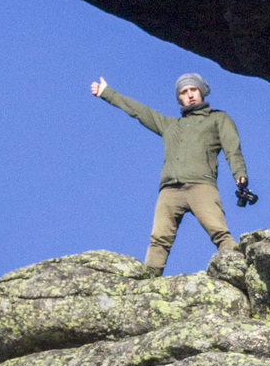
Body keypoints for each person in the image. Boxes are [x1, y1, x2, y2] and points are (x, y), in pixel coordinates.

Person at [91, 72, 256, 277]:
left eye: (193, 90)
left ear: (202, 92)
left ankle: (241, 271)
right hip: (170, 190)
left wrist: (239, 173)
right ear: (179, 98)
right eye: (184, 92)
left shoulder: (218, 118)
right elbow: (140, 112)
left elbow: (232, 148)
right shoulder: (170, 125)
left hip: (201, 186)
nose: (190, 95)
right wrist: (108, 93)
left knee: (219, 232)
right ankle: (149, 280)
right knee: (159, 239)